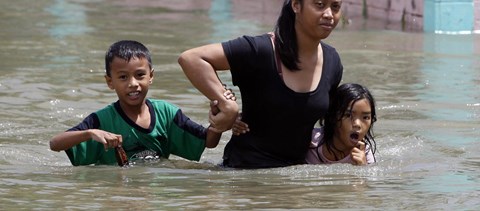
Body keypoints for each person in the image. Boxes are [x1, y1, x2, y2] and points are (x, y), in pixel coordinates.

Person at [178, 0, 344, 168]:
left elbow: (329, 126)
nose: (329, 14)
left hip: (296, 181)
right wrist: (227, 107)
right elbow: (191, 59)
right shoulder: (261, 49)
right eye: (320, 4)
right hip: (243, 176)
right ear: (296, 5)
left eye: (335, 7)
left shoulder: (333, 61)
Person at [49, 40, 230, 166]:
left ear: (151, 76)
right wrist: (89, 133)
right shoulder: (102, 120)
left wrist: (219, 118)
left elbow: (208, 142)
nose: (133, 83)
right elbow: (55, 144)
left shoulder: (166, 113)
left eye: (140, 75)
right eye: (123, 77)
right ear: (110, 82)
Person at [234, 83, 377, 165]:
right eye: (348, 115)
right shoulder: (312, 141)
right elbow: (275, 136)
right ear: (333, 117)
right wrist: (242, 122)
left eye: (366, 117)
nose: (358, 124)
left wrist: (362, 169)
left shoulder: (364, 151)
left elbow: (363, 192)